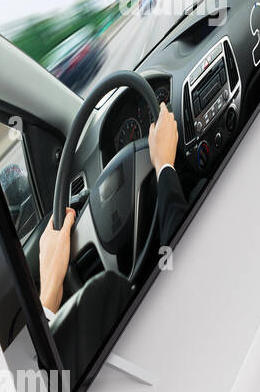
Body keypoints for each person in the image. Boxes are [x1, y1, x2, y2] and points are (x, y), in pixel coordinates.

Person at [38, 101, 188, 325]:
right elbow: (184, 257)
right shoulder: (105, 291)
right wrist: (164, 164)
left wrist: (50, 286)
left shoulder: (54, 341)